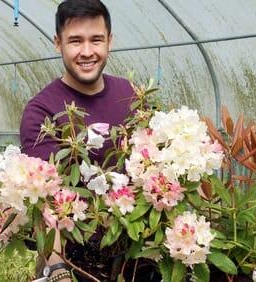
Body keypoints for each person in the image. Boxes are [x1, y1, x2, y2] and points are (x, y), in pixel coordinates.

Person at [20, 1, 160, 281]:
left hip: (134, 256)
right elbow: (44, 199)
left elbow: (156, 168)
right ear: (58, 43)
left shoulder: (132, 95)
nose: (86, 52)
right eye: (75, 41)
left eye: (96, 40)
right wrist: (57, 268)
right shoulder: (42, 111)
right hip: (76, 261)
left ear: (110, 41)